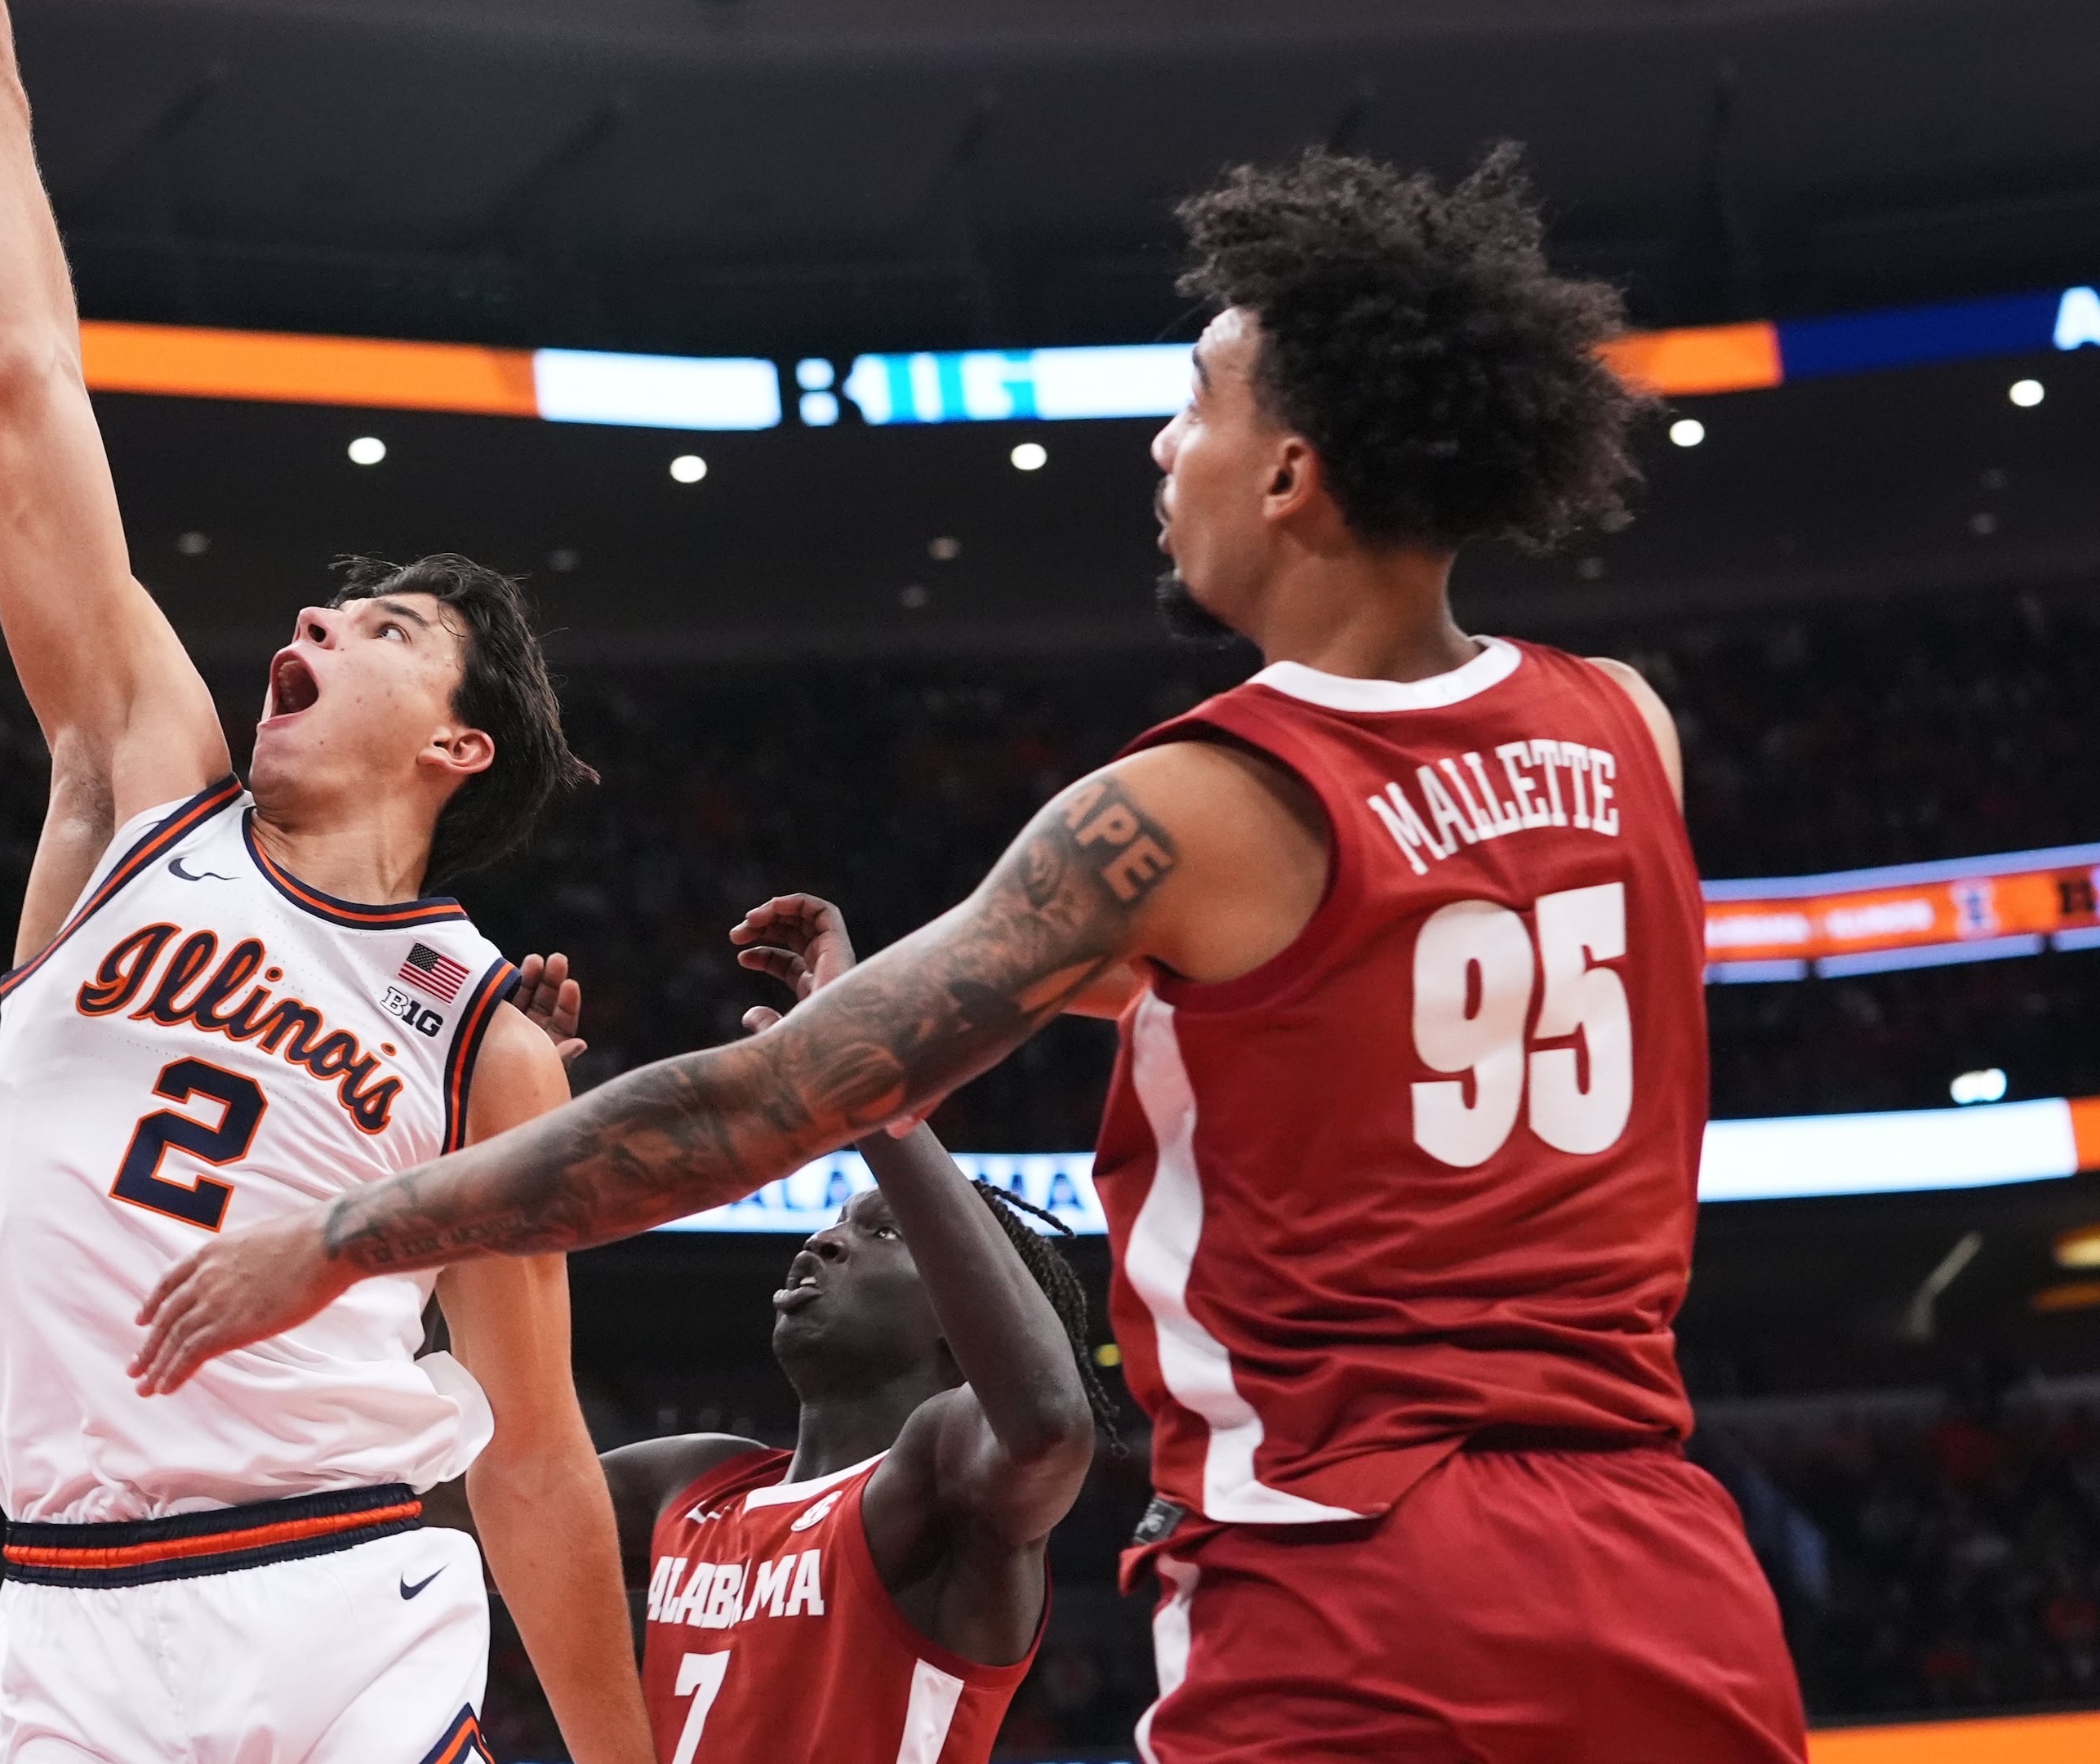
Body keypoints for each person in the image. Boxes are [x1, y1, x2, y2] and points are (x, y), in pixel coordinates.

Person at [136, 146, 1811, 1762]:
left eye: (1197, 411)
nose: (1165, 451)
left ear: (1292, 475)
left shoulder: (1191, 808)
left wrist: (348, 1233)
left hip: (1359, 1580)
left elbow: (761, 1104)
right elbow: (1362, 980)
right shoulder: (1627, 732)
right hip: (1665, 1564)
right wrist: (928, 984)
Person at [0, 2, 649, 1759]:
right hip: (63, 1614)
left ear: (460, 750)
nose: (308, 624)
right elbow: (25, 387)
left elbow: (530, 1450)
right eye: (321, 607)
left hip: (336, 1592)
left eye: (383, 631)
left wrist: (624, 1754)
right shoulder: (142, 791)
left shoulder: (484, 1036)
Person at [604, 894, 1102, 1764]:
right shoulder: (690, 1481)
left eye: (881, 1231)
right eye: (836, 1221)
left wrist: (872, 1092)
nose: (825, 1238)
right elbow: (469, 1500)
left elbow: (1047, 1424)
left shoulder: (945, 1478)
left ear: (964, 1313)